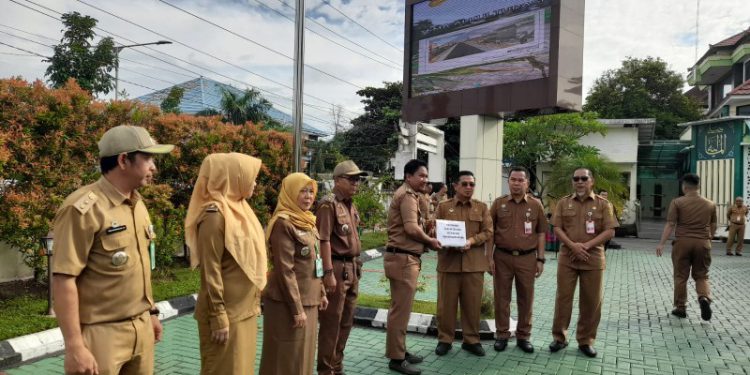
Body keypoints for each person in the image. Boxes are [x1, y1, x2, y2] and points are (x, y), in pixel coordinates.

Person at [51, 125, 173, 374]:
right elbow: (64, 278)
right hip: (101, 335)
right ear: (123, 160)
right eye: (148, 158)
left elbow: (140, 265)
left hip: (141, 328)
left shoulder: (137, 204)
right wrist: (75, 346)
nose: (154, 167)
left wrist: (150, 312)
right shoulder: (82, 208)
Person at [185, 153, 267, 374]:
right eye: (251, 176)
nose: (255, 182)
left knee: (242, 368)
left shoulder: (240, 209)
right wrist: (218, 315)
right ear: (232, 177)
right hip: (226, 315)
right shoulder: (214, 216)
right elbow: (210, 270)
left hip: (244, 310)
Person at [259, 173, 329, 375]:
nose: (308, 197)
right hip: (286, 303)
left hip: (309, 299)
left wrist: (321, 292)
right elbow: (285, 269)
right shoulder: (283, 223)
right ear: (290, 193)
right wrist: (296, 308)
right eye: (302, 191)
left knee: (304, 356)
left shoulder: (308, 221)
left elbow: (316, 262)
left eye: (311, 191)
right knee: (284, 357)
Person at [549, 168, 617, 358]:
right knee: (563, 299)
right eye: (576, 179)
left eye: (583, 178)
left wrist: (585, 246)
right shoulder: (563, 202)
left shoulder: (604, 204)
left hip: (593, 258)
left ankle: (586, 341)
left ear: (591, 181)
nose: (579, 182)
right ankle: (559, 338)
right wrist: (573, 246)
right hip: (567, 258)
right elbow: (557, 228)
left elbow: (610, 231)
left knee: (591, 301)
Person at [384, 159, 441, 375]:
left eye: (426, 176)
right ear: (409, 176)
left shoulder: (412, 195)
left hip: (405, 259)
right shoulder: (407, 196)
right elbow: (410, 228)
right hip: (403, 260)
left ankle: (400, 351)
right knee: (400, 311)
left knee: (402, 309)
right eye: (421, 175)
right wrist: (430, 241)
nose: (425, 179)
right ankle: (396, 359)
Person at [433, 171, 493, 357]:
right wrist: (441, 238)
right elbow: (435, 230)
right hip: (448, 264)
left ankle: (471, 340)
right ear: (455, 186)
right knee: (446, 306)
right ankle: (445, 340)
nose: (469, 187)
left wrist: (471, 241)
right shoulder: (443, 207)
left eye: (472, 184)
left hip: (473, 265)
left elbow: (488, 231)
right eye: (465, 184)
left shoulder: (481, 208)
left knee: (472, 306)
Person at [316, 160, 368, 375]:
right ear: (337, 180)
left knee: (346, 321)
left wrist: (356, 265)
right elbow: (323, 241)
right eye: (352, 179)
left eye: (358, 179)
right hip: (336, 268)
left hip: (351, 268)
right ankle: (326, 370)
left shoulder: (350, 204)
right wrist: (326, 274)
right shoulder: (328, 204)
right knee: (331, 324)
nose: (356, 183)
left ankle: (337, 366)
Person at [488, 166, 547, 354]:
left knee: (526, 299)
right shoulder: (498, 204)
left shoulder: (536, 205)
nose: (516, 183)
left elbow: (541, 233)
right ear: (508, 182)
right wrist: (488, 257)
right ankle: (502, 335)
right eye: (513, 179)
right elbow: (489, 233)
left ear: (527, 183)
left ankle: (523, 336)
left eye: (520, 180)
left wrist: (541, 259)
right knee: (502, 298)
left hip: (527, 258)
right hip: (502, 257)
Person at [656, 173, 717, 321]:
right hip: (703, 243)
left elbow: (671, 224)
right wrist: (708, 239)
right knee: (702, 275)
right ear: (698, 186)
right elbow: (713, 226)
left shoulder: (677, 202)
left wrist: (662, 243)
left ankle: (681, 307)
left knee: (680, 276)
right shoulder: (710, 204)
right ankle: (704, 298)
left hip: (682, 243)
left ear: (684, 186)